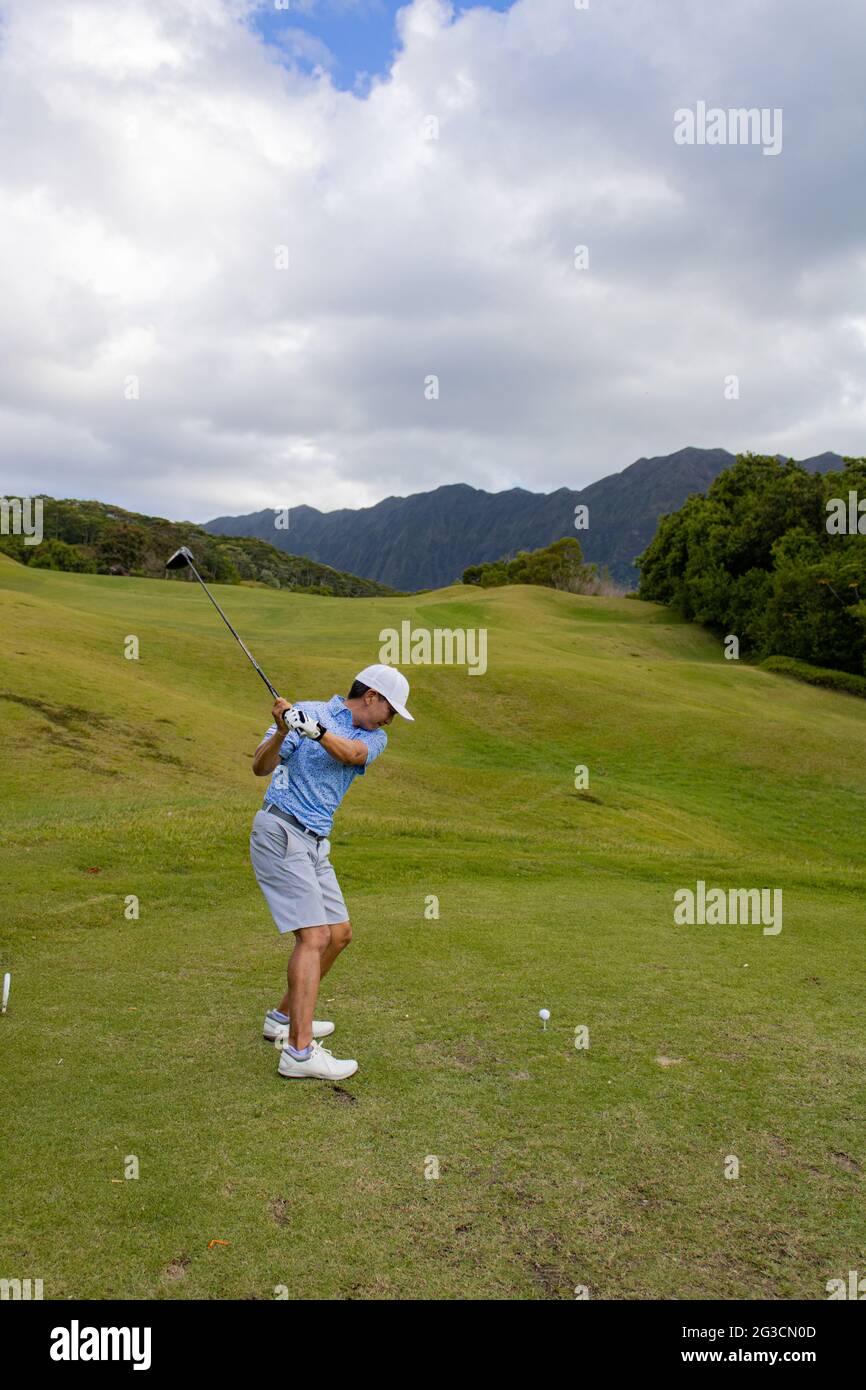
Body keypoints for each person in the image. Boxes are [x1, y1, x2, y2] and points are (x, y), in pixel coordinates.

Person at [249, 664, 413, 1080]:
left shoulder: (373, 738)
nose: (393, 718)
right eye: (392, 708)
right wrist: (286, 730)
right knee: (314, 936)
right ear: (373, 696)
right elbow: (260, 767)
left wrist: (317, 733)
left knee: (338, 935)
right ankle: (299, 1054)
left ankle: (282, 1020)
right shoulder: (306, 710)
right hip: (282, 829)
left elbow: (351, 754)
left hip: (316, 842)